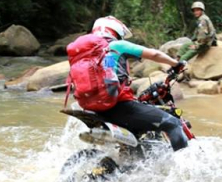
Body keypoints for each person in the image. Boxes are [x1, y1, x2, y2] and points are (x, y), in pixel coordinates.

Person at [81, 16, 189, 151]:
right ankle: (183, 170)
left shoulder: (85, 54)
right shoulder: (116, 45)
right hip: (118, 107)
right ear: (115, 32)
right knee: (173, 124)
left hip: (92, 109)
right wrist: (176, 64)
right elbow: (154, 54)